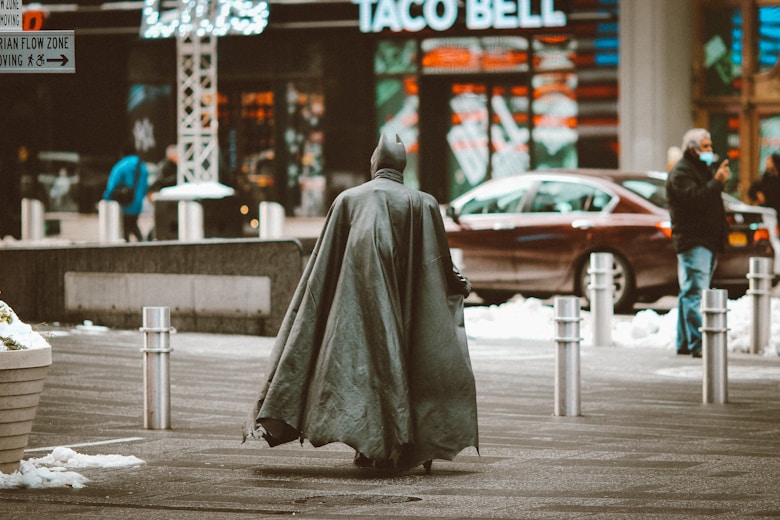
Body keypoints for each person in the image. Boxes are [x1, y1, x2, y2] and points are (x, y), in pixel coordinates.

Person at [243, 134, 479, 472]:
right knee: (412, 365)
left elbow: (323, 261)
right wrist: (460, 285)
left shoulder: (347, 201)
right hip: (408, 305)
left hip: (355, 307)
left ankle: (368, 446)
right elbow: (440, 262)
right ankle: (409, 443)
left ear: (374, 164)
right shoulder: (424, 203)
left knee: (362, 371)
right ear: (402, 166)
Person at [666, 128, 730, 358]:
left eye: (710, 146)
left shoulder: (700, 169)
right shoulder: (682, 173)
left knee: (690, 291)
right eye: (705, 146)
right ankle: (699, 342)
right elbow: (695, 201)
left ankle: (684, 341)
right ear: (693, 149)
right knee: (695, 291)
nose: (710, 150)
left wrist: (715, 181)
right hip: (694, 240)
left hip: (706, 239)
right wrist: (716, 182)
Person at [103, 142, 149, 242]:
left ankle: (130, 247)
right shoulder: (142, 165)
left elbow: (112, 184)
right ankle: (143, 244)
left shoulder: (121, 165)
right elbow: (145, 186)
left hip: (125, 202)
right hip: (137, 202)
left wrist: (106, 198)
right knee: (133, 224)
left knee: (125, 228)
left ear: (123, 153)